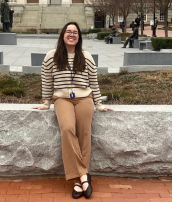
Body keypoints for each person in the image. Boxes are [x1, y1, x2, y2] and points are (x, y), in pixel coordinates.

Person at [33, 22, 113, 199]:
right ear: (63, 35)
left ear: (79, 36)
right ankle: (84, 175)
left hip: (84, 98)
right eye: (68, 31)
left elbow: (94, 81)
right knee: (68, 128)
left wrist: (98, 103)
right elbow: (46, 80)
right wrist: (46, 102)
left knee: (84, 133)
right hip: (62, 99)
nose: (71, 34)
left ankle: (78, 181)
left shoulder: (85, 56)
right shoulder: (52, 56)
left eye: (75, 32)